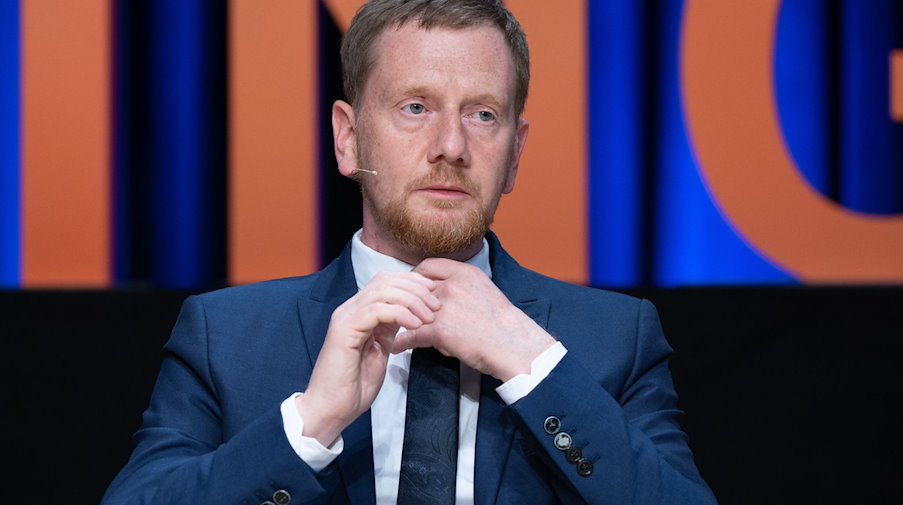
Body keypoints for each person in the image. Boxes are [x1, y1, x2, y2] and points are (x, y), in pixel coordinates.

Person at [101, 0, 717, 503]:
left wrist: (529, 363)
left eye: (482, 113)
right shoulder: (225, 338)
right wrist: (309, 426)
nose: (450, 145)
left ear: (516, 152)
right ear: (348, 139)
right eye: (415, 107)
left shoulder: (615, 338)